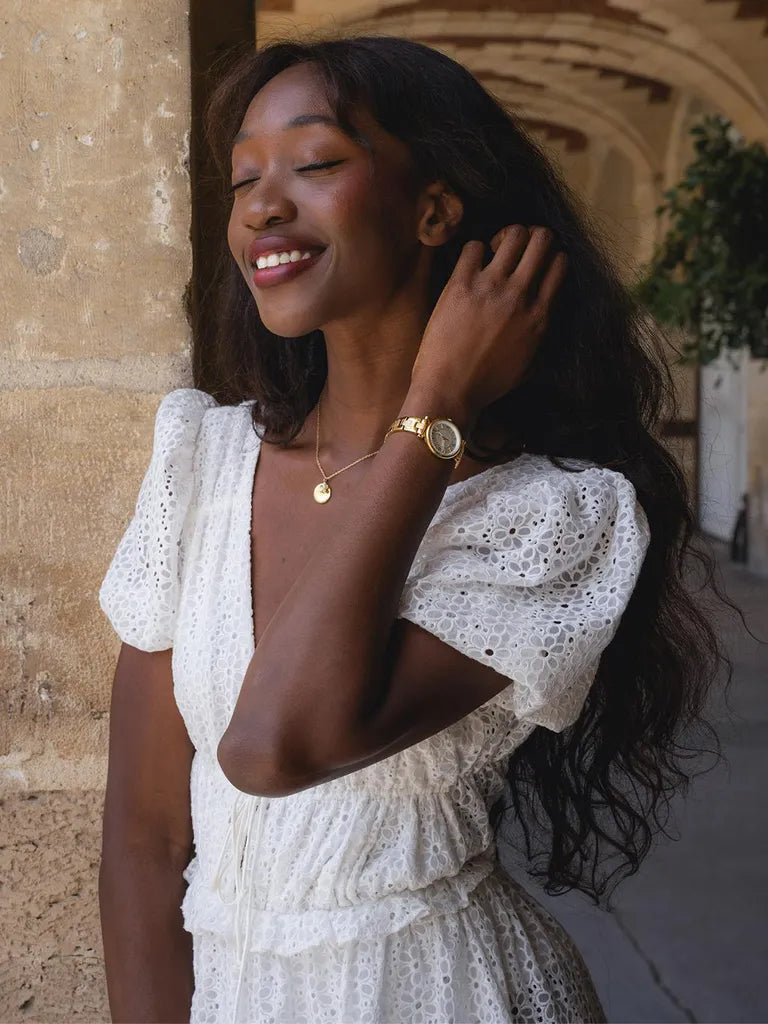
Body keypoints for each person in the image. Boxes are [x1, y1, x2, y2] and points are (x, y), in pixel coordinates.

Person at [97, 33, 731, 1024]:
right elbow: (141, 839)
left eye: (313, 163)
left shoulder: (552, 516)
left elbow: (278, 742)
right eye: (243, 179)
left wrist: (434, 407)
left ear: (433, 208)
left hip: (446, 992)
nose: (264, 203)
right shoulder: (198, 459)